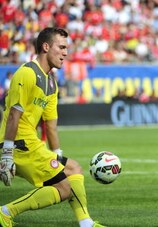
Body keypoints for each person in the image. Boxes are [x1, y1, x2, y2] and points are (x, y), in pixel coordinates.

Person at [0, 27, 105, 227]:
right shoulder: (27, 73)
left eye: (67, 48)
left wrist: (57, 154)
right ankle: (5, 212)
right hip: (17, 143)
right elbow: (14, 115)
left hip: (30, 143)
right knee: (64, 188)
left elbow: (51, 125)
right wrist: (7, 154)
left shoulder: (51, 82)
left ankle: (86, 223)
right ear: (46, 47)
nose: (66, 53)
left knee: (73, 168)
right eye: (62, 47)